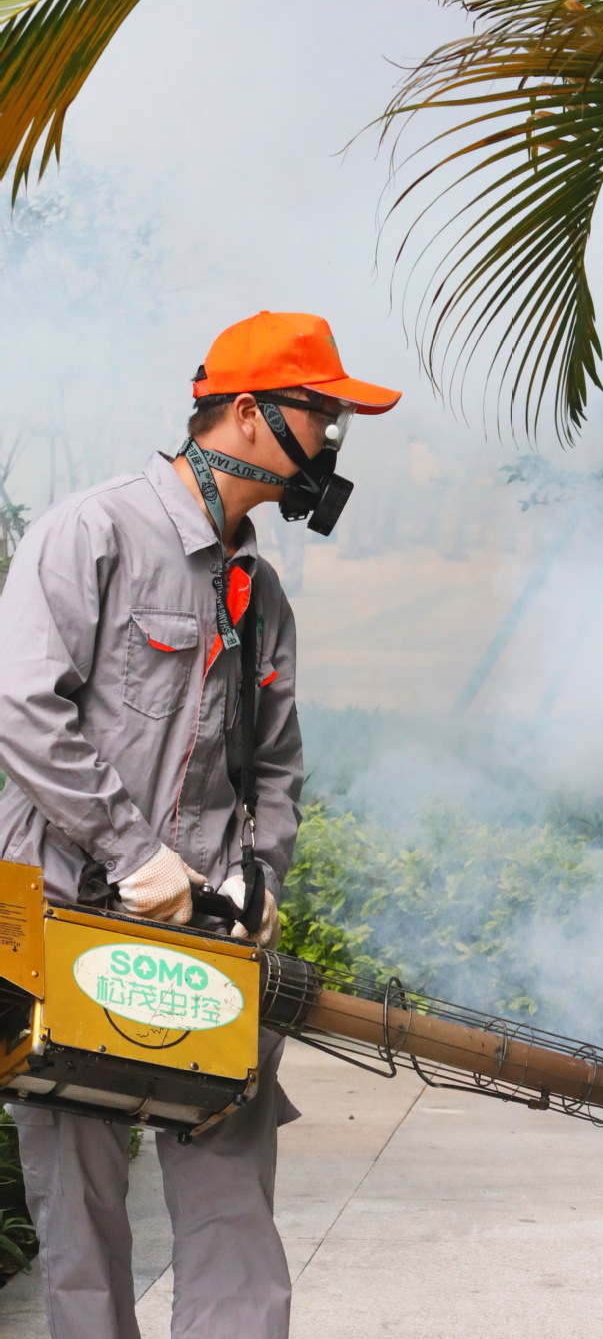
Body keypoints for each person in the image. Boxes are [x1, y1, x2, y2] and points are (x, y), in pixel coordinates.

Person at [0, 310, 400, 1339]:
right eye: (323, 415)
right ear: (247, 414)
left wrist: (257, 880)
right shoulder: (92, 533)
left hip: (204, 939)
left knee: (230, 1192)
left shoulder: (260, 593)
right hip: (63, 921)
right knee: (81, 1214)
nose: (331, 443)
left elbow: (275, 763)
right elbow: (22, 710)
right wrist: (134, 856)